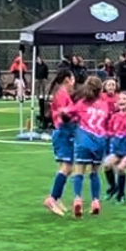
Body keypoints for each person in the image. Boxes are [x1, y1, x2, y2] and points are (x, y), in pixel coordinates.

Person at [68, 75, 110, 218]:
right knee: (94, 173)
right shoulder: (104, 105)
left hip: (84, 140)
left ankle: (77, 199)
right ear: (100, 90)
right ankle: (95, 201)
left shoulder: (81, 104)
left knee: (78, 172)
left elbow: (70, 117)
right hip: (100, 141)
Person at [43, 68, 76, 216]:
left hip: (64, 134)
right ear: (68, 79)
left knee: (66, 167)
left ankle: (57, 197)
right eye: (73, 79)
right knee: (67, 168)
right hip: (63, 134)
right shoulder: (62, 96)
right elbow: (64, 115)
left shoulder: (63, 95)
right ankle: (52, 198)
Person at [103, 92, 126, 203]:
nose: (121, 101)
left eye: (124, 99)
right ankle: (113, 187)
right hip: (117, 149)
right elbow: (109, 133)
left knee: (120, 168)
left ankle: (121, 194)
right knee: (106, 165)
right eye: (119, 99)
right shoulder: (114, 117)